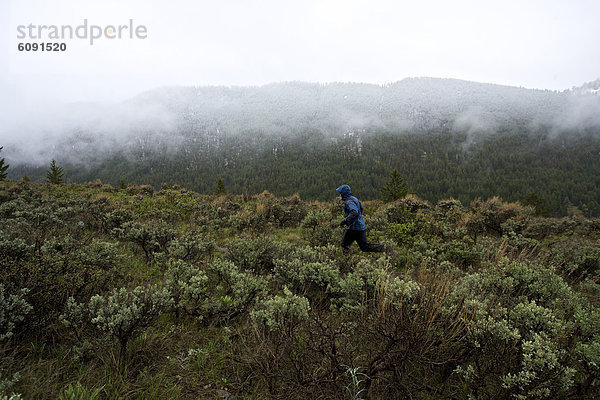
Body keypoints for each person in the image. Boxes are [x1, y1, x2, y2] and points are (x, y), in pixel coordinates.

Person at [336, 184, 383, 253]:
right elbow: (361, 208)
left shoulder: (348, 202)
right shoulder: (354, 199)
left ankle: (346, 260)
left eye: (340, 193)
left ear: (343, 193)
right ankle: (383, 248)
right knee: (364, 247)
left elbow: (354, 212)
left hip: (354, 228)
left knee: (344, 245)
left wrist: (345, 221)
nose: (339, 196)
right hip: (360, 226)